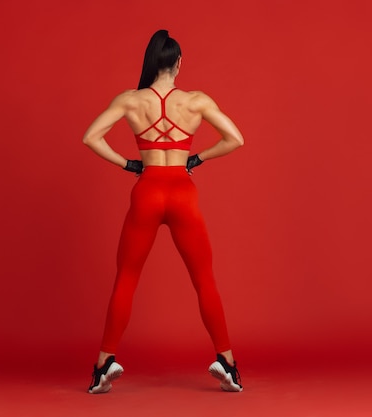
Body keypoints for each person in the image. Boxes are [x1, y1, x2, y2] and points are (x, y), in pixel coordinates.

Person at [82, 29, 244, 394]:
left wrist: (129, 164)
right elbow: (236, 138)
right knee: (204, 281)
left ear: (151, 62)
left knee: (126, 278)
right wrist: (196, 158)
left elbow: (91, 137)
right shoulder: (197, 101)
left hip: (147, 190)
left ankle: (103, 365)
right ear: (179, 63)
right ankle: (229, 365)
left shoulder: (130, 100)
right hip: (183, 193)